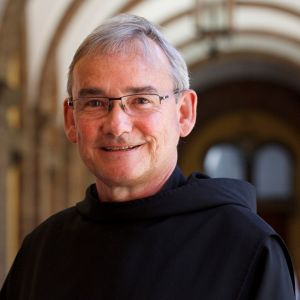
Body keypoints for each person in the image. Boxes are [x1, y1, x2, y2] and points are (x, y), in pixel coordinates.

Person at [0, 14, 296, 300]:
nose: (117, 125)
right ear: (70, 120)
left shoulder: (248, 247)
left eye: (141, 100)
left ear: (184, 113)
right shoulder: (41, 250)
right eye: (95, 102)